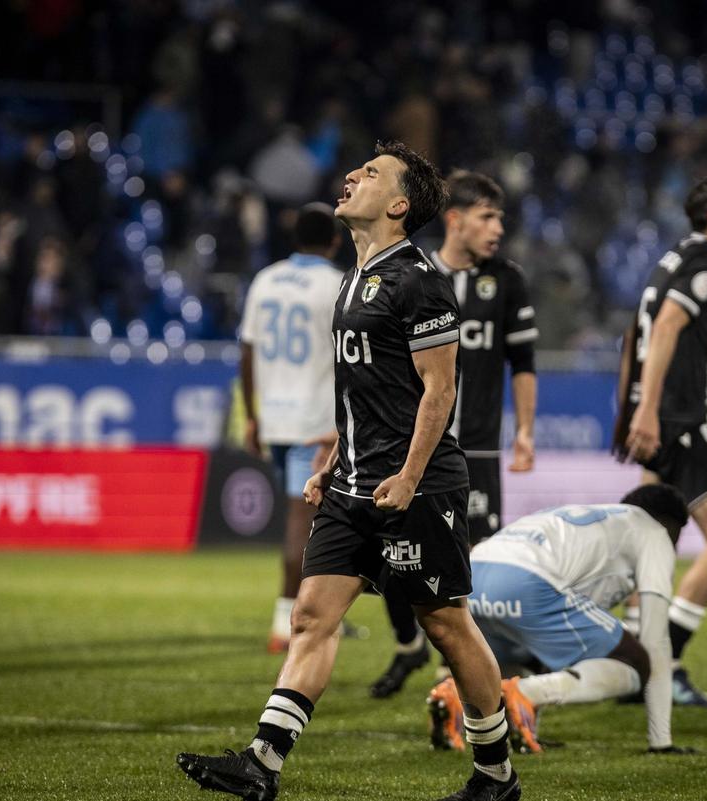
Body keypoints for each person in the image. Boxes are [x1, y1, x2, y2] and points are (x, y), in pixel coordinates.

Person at [177, 141, 520, 801]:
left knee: (446, 622)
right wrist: (335, 450)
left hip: (414, 487)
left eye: (370, 174)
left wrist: (411, 476)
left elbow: (439, 390)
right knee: (311, 613)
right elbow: (369, 384)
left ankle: (495, 775)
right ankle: (262, 763)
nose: (351, 177)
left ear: (397, 204)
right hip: (353, 484)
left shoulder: (420, 280)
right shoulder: (355, 276)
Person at [370, 170, 538, 698]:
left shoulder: (506, 280)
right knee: (392, 558)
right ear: (456, 219)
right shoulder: (413, 275)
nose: (497, 228)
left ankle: (461, 675)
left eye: (501, 218)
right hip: (410, 446)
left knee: (477, 562)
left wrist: (526, 432)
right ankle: (410, 647)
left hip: (477, 448)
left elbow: (523, 362)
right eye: (487, 217)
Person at [613, 175, 707, 706]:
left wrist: (628, 411)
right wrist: (647, 410)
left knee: (654, 543)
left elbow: (634, 335)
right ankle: (662, 663)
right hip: (682, 421)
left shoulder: (672, 258)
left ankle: (630, 663)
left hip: (661, 419)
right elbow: (668, 326)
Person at [426, 485, 690, 756]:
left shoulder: (597, 518)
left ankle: (455, 699)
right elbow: (655, 639)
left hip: (475, 574)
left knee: (527, 657)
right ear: (670, 526)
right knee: (635, 661)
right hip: (525, 580)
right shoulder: (655, 532)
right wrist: (662, 742)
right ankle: (528, 694)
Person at [238, 204, 344, 653]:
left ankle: (319, 612)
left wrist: (251, 414)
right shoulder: (336, 284)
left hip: (275, 417)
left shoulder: (265, 280)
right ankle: (287, 622)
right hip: (314, 422)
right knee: (302, 523)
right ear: (335, 240)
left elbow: (247, 350)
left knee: (309, 520)